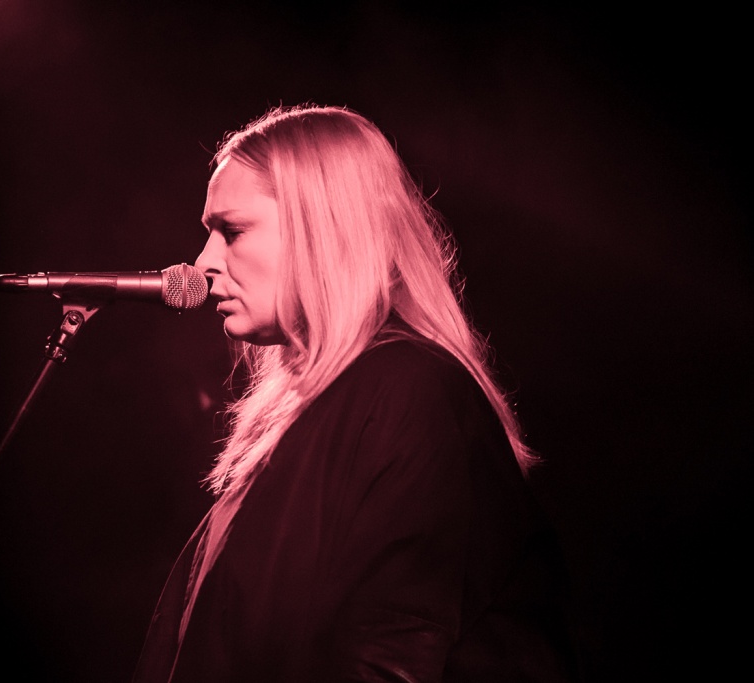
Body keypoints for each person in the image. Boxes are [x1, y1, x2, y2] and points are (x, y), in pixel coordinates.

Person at [132, 104, 580, 682]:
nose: (202, 262)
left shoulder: (408, 389)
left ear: (325, 228)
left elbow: (393, 652)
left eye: (233, 231)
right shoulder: (329, 405)